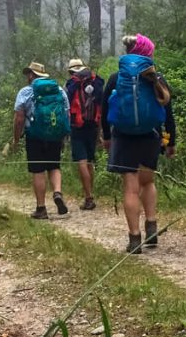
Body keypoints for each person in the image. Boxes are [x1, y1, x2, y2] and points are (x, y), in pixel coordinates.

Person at [101, 34, 176, 254]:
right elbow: (167, 110)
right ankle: (151, 225)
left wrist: (106, 137)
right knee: (148, 182)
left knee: (130, 188)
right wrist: (170, 140)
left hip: (123, 136)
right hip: (150, 135)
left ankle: (135, 238)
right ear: (147, 53)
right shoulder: (155, 77)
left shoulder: (116, 78)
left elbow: (105, 110)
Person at [12, 61, 71, 219]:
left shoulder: (25, 92)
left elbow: (19, 119)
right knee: (54, 166)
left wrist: (16, 139)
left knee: (38, 170)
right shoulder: (58, 90)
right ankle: (57, 192)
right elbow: (66, 114)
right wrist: (65, 134)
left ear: (31, 75)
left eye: (28, 74)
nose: (27, 77)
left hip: (34, 136)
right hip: (55, 134)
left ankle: (41, 208)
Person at [64, 58, 104, 210]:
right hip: (93, 125)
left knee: (81, 161)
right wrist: (100, 130)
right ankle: (90, 193)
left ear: (71, 71)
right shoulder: (95, 81)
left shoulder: (71, 84)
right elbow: (100, 105)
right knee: (90, 161)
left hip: (77, 126)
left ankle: (88, 197)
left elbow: (66, 108)